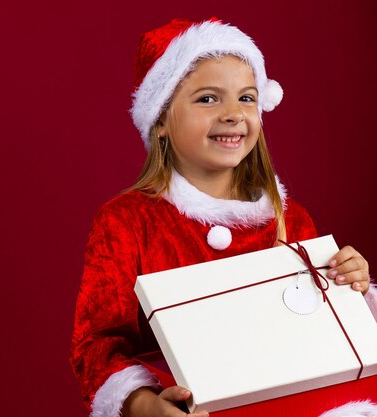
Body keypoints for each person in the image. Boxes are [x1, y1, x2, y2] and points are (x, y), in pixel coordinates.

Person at [70, 18, 377, 417]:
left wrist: (355, 290)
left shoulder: (290, 219)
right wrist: (143, 404)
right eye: (208, 99)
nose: (233, 114)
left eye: (247, 98)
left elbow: (320, 334)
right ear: (161, 120)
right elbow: (97, 345)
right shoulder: (126, 222)